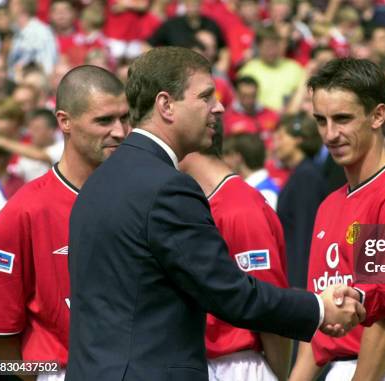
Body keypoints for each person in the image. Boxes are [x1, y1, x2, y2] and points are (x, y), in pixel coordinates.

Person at [66, 46, 365, 381]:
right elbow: (228, 292)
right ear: (166, 105)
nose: (219, 107)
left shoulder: (96, 181)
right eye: (206, 96)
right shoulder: (168, 187)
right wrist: (319, 309)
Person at [290, 58, 385, 381]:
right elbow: (317, 329)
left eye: (343, 119)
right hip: (342, 368)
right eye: (321, 120)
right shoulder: (328, 205)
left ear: (377, 115)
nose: (330, 134)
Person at [0, 65, 130, 380]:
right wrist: (43, 374)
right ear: (65, 122)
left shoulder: (143, 198)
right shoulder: (23, 212)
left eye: (125, 117)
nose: (121, 131)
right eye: (104, 120)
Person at [180, 124, 290, 381]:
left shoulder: (238, 208)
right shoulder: (195, 201)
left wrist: (278, 375)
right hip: (200, 362)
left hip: (238, 364)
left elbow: (270, 308)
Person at [274, 113, 327, 289]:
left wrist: (299, 288)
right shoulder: (301, 174)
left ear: (298, 139)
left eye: (281, 137)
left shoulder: (306, 177)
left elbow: (304, 235)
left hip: (301, 282)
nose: (276, 145)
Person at [222, 132, 280, 210]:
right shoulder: (253, 189)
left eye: (227, 155)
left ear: (237, 157)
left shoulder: (266, 193)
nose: (223, 161)